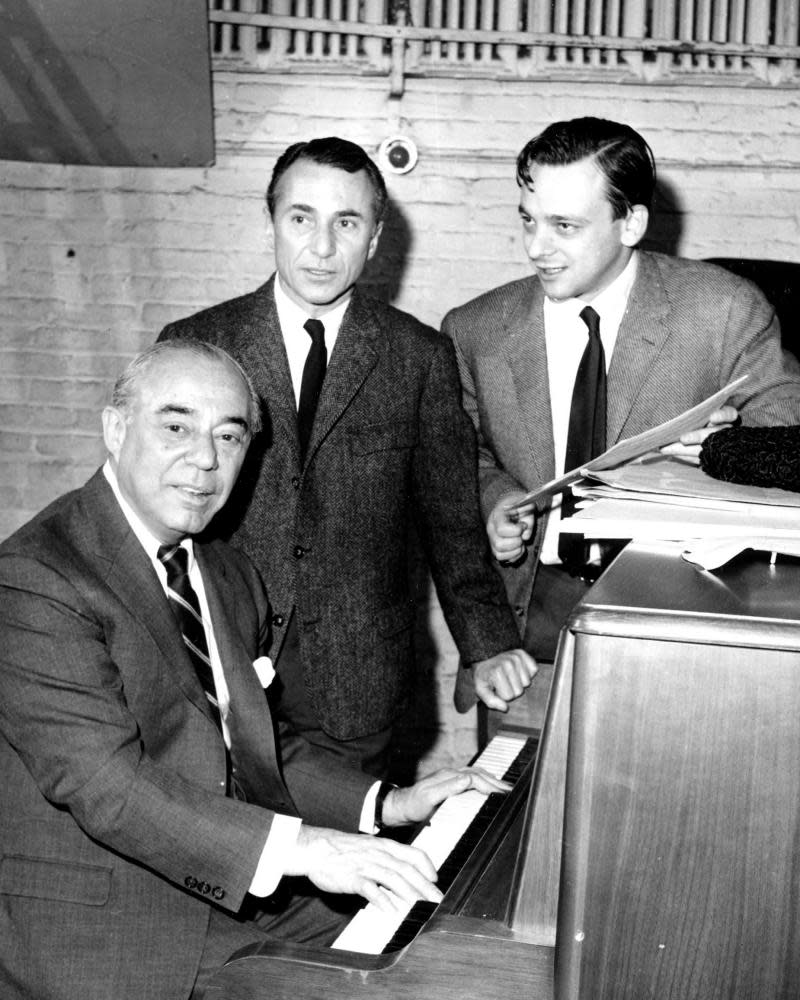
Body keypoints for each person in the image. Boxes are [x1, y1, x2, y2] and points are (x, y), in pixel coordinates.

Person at [0, 340, 512, 1000]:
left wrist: (389, 803)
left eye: (230, 436)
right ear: (116, 428)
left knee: (445, 938)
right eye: (177, 426)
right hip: (108, 913)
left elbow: (256, 746)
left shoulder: (225, 571)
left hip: (229, 876)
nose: (205, 460)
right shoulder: (38, 579)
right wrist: (306, 850)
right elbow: (106, 785)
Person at [159, 136, 536, 777]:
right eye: (301, 218)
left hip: (357, 680)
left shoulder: (417, 357)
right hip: (215, 656)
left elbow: (451, 522)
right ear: (272, 221)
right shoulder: (196, 343)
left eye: (347, 222)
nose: (322, 247)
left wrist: (489, 645)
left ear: (376, 237)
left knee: (343, 853)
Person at [442, 116, 800, 729]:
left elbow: (790, 447)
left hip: (683, 614)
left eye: (564, 226)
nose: (536, 248)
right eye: (528, 218)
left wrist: (725, 451)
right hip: (529, 622)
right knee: (514, 808)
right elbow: (458, 457)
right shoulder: (472, 330)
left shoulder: (725, 310)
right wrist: (496, 496)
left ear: (630, 222)